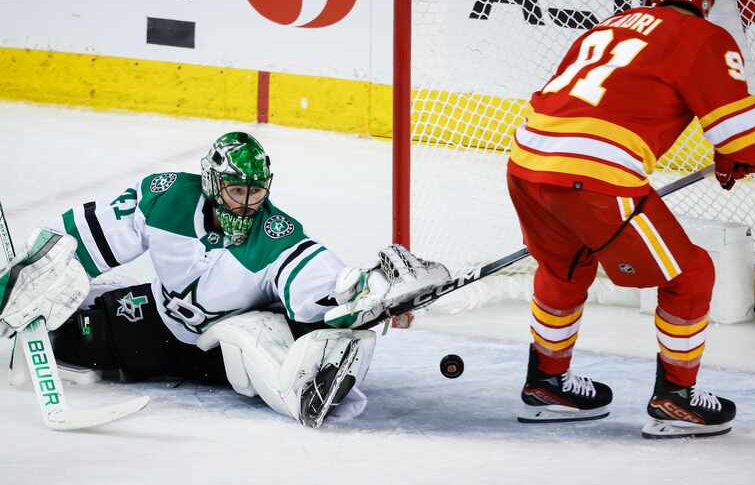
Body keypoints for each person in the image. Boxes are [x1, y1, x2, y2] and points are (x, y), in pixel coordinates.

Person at [0, 131, 449, 428]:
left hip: (220, 346)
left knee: (253, 338)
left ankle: (317, 374)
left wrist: (364, 293)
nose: (248, 202)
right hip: (158, 324)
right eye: (238, 190)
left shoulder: (275, 234)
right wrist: (46, 264)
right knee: (75, 337)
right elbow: (94, 232)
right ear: (213, 182)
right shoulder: (167, 196)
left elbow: (315, 275)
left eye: (257, 191)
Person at [507, 0, 755, 438]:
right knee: (691, 275)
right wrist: (739, 160)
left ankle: (546, 383)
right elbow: (742, 137)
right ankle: (676, 399)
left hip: (526, 161)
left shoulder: (605, 25)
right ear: (705, 5)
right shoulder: (706, 38)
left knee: (565, 266)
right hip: (594, 177)